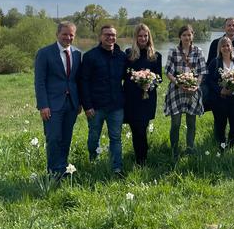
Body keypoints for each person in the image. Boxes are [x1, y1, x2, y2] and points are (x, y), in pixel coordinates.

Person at [34, 21, 81, 179]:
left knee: (66, 138)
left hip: (72, 104)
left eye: (71, 35)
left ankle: (63, 169)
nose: (68, 37)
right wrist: (43, 105)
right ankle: (53, 172)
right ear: (57, 34)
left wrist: (79, 102)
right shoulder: (44, 53)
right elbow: (39, 82)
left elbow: (78, 80)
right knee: (54, 138)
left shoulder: (77, 53)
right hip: (52, 104)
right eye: (65, 34)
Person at [80, 25, 127, 176]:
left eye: (113, 35)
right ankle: (94, 160)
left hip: (116, 106)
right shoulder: (90, 56)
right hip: (96, 106)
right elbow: (83, 82)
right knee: (94, 136)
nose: (110, 38)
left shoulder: (122, 56)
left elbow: (129, 77)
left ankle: (116, 168)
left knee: (116, 138)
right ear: (100, 37)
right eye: (107, 35)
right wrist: (87, 106)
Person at [164, 24, 207, 158]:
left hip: (193, 90)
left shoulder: (198, 51)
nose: (187, 38)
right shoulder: (173, 51)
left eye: (189, 35)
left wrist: (196, 85)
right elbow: (168, 72)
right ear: (180, 37)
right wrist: (178, 83)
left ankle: (190, 148)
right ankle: (174, 150)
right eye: (184, 35)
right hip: (176, 90)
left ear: (193, 36)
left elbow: (202, 71)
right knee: (175, 123)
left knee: (191, 122)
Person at [123, 23, 162, 166]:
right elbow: (125, 76)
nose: (143, 38)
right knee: (136, 130)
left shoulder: (156, 56)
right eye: (140, 36)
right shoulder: (129, 54)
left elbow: (159, 78)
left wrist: (149, 84)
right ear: (136, 37)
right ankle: (140, 158)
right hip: (132, 99)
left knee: (142, 129)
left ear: (149, 37)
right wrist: (136, 79)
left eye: (145, 35)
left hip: (147, 99)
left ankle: (142, 159)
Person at [206, 36, 234, 151]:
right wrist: (220, 90)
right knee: (220, 125)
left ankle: (232, 146)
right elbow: (208, 80)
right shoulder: (215, 62)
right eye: (223, 46)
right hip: (219, 99)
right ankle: (222, 147)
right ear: (219, 48)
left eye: (228, 45)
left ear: (231, 48)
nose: (226, 48)